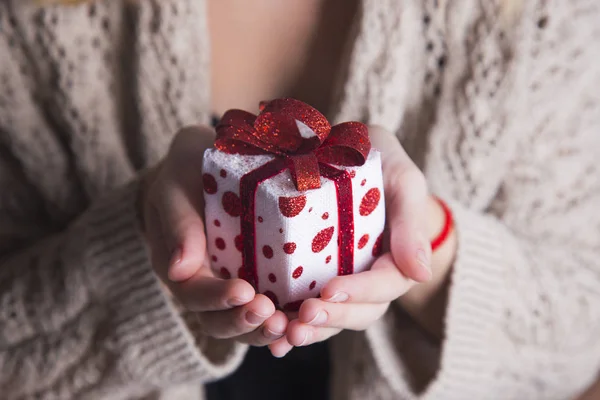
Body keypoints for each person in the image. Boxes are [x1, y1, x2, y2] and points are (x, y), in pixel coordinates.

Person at [0, 0, 598, 399]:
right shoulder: (28, 25)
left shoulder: (540, 19)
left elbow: (581, 333)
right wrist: (134, 240)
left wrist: (429, 249)